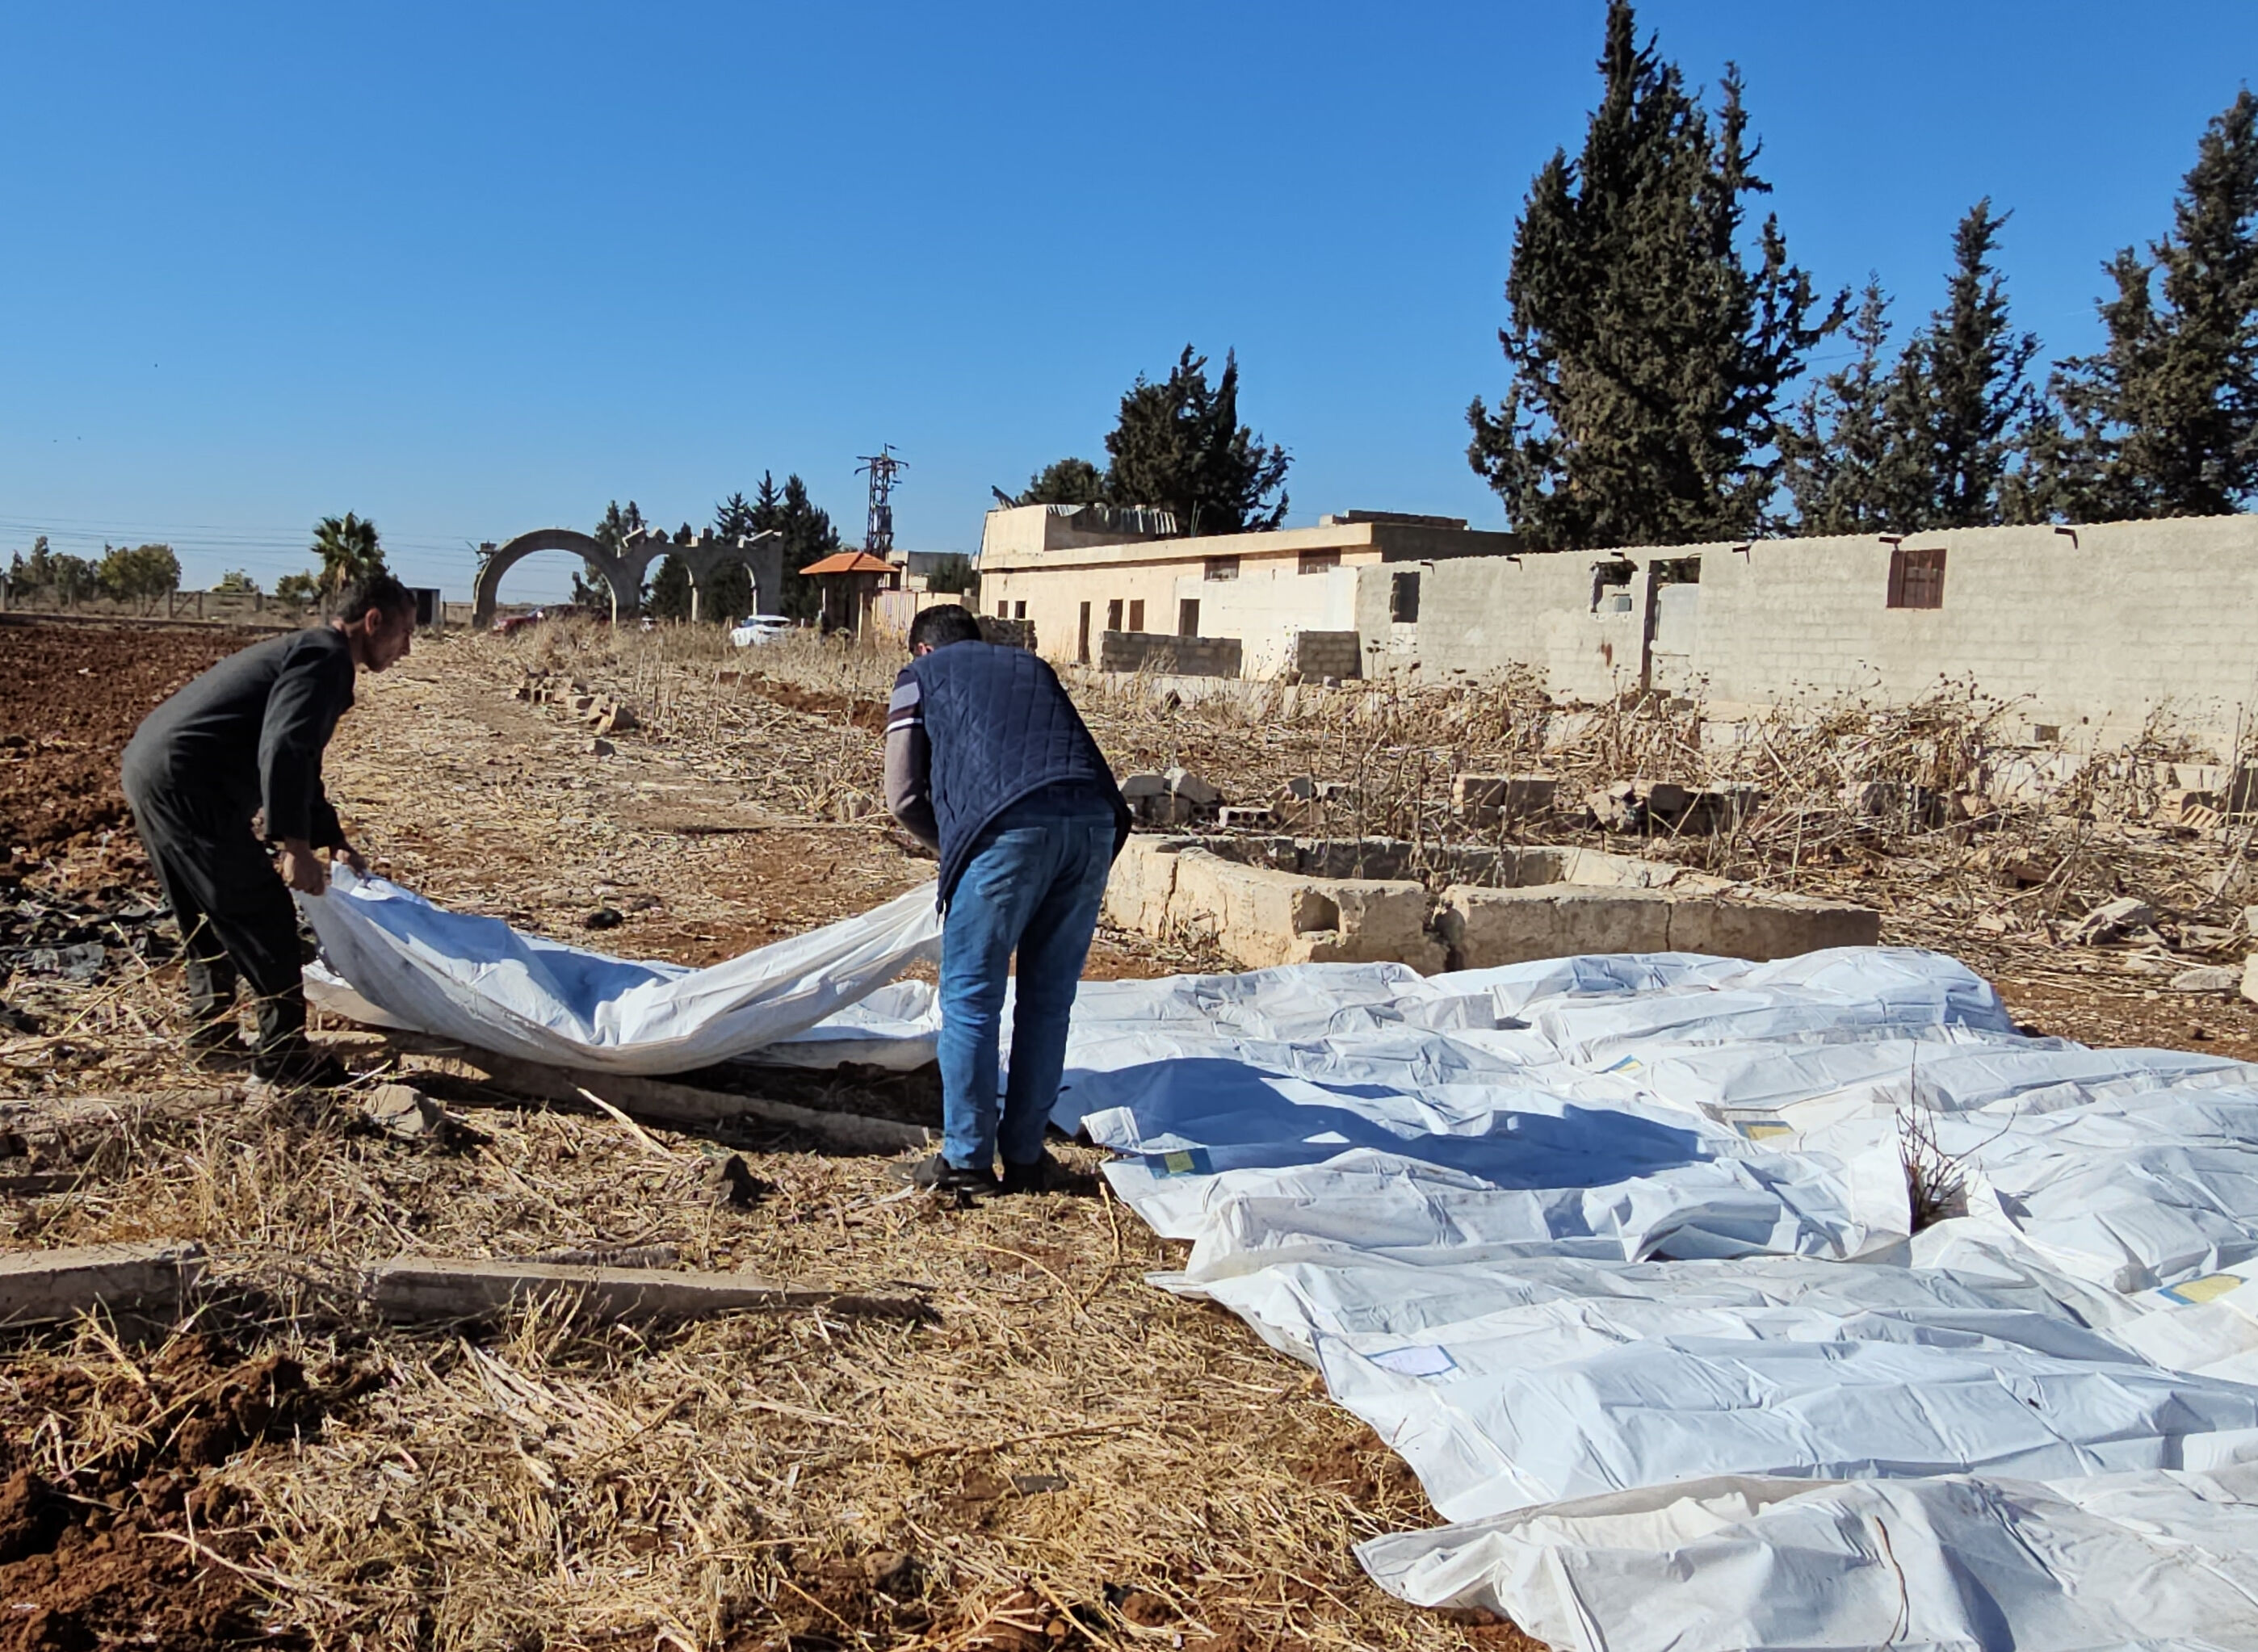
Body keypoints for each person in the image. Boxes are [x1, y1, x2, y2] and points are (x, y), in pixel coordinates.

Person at [120, 571, 417, 1087]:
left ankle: (208, 1041)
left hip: (155, 770)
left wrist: (332, 839)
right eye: (405, 632)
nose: (407, 649)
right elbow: (283, 748)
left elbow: (301, 761)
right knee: (267, 916)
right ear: (373, 621)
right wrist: (294, 846)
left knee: (207, 913)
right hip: (189, 784)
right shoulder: (325, 659)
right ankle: (283, 1058)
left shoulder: (312, 651)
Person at [884, 603, 1131, 1194]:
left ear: (922, 649)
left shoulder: (919, 678)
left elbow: (902, 795)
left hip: (1008, 827)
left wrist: (956, 845)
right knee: (1048, 1002)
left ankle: (967, 1164)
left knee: (971, 996)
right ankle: (1025, 1158)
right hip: (1095, 823)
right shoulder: (1031, 667)